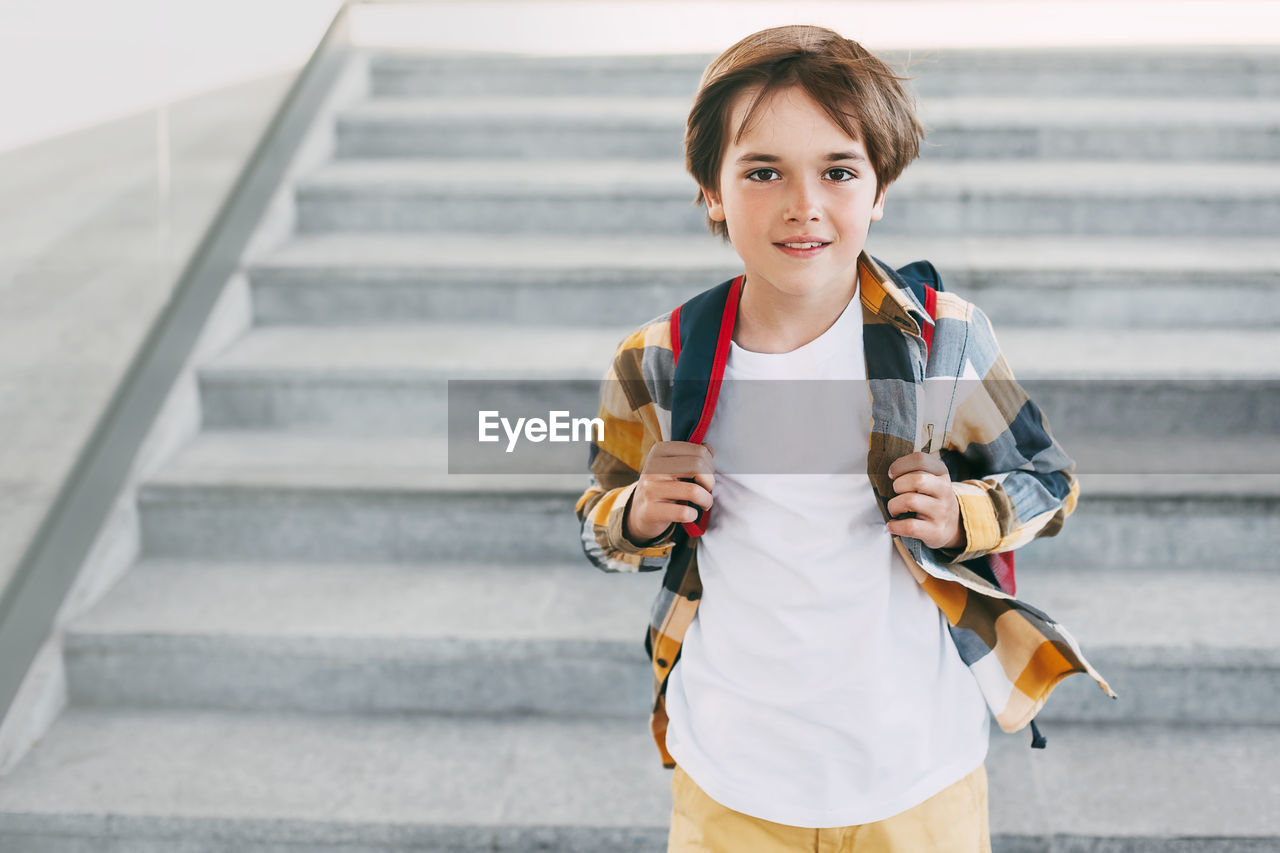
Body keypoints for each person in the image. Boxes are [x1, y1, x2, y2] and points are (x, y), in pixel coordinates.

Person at [573, 24, 1116, 853]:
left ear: (880, 188)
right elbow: (598, 521)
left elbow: (1051, 483)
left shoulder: (945, 340)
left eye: (838, 170)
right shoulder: (657, 357)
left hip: (915, 768)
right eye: (763, 172)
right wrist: (640, 512)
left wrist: (963, 513)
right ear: (712, 190)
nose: (804, 203)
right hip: (732, 773)